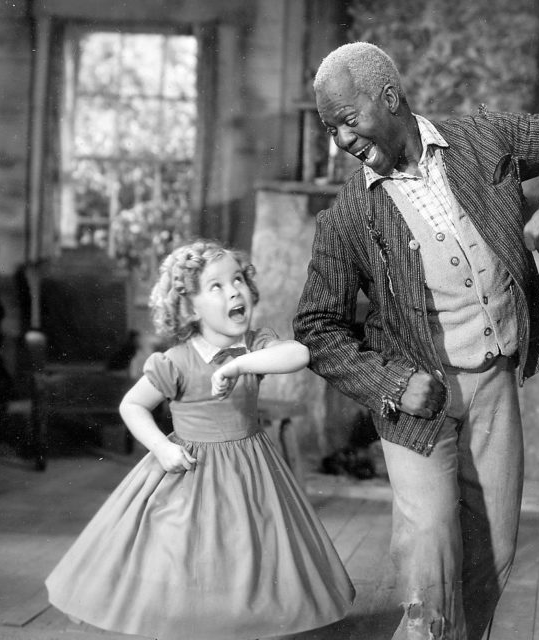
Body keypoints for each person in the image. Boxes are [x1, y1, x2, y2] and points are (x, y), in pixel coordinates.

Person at [293, 42, 539, 640]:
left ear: (388, 98)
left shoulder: (480, 140)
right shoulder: (347, 215)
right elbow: (316, 326)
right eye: (330, 127)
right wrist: (393, 383)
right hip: (417, 406)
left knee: (491, 557)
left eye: (348, 119)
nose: (341, 139)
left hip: (495, 386)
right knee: (428, 567)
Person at [46, 239, 355, 640]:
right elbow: (132, 406)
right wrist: (161, 447)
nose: (234, 291)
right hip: (190, 468)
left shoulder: (256, 346)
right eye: (217, 286)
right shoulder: (175, 360)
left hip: (251, 468)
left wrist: (238, 364)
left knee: (250, 546)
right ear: (190, 307)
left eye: (239, 280)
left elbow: (299, 354)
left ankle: (242, 622)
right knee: (186, 550)